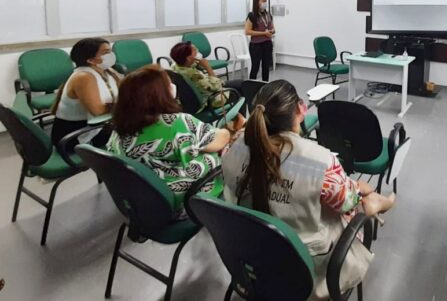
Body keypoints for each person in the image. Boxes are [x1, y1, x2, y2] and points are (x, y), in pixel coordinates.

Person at [222, 80, 395, 300]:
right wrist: (357, 189)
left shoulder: (233, 147)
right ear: (301, 110)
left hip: (250, 256)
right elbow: (345, 203)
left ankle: (370, 200)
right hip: (303, 267)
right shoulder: (319, 161)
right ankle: (374, 202)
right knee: (356, 200)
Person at [107, 65, 244, 213]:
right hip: (183, 199)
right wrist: (228, 130)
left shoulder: (118, 126)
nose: (173, 86)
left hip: (143, 200)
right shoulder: (175, 124)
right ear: (158, 93)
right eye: (168, 83)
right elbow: (220, 141)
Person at [51, 38, 121, 149]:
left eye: (110, 51)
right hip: (76, 136)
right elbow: (98, 111)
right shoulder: (84, 77)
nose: (111, 55)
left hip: (99, 126)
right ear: (91, 60)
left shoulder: (109, 71)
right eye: (106, 52)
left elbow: (128, 91)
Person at [170, 41, 244, 110]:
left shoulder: (176, 66)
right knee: (243, 88)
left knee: (241, 83)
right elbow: (216, 86)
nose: (198, 52)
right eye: (195, 51)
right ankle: (242, 120)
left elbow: (190, 65)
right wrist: (207, 67)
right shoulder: (194, 76)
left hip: (190, 99)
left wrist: (197, 63)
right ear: (189, 58)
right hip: (209, 100)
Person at [244, 0, 275, 82]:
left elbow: (273, 28)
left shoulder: (268, 14)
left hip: (267, 44)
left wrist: (271, 31)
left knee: (266, 67)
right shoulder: (252, 15)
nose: (265, 3)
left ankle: (265, 86)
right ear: (257, 2)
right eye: (263, 1)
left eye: (266, 1)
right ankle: (251, 87)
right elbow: (247, 31)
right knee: (255, 68)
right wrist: (263, 33)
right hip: (256, 46)